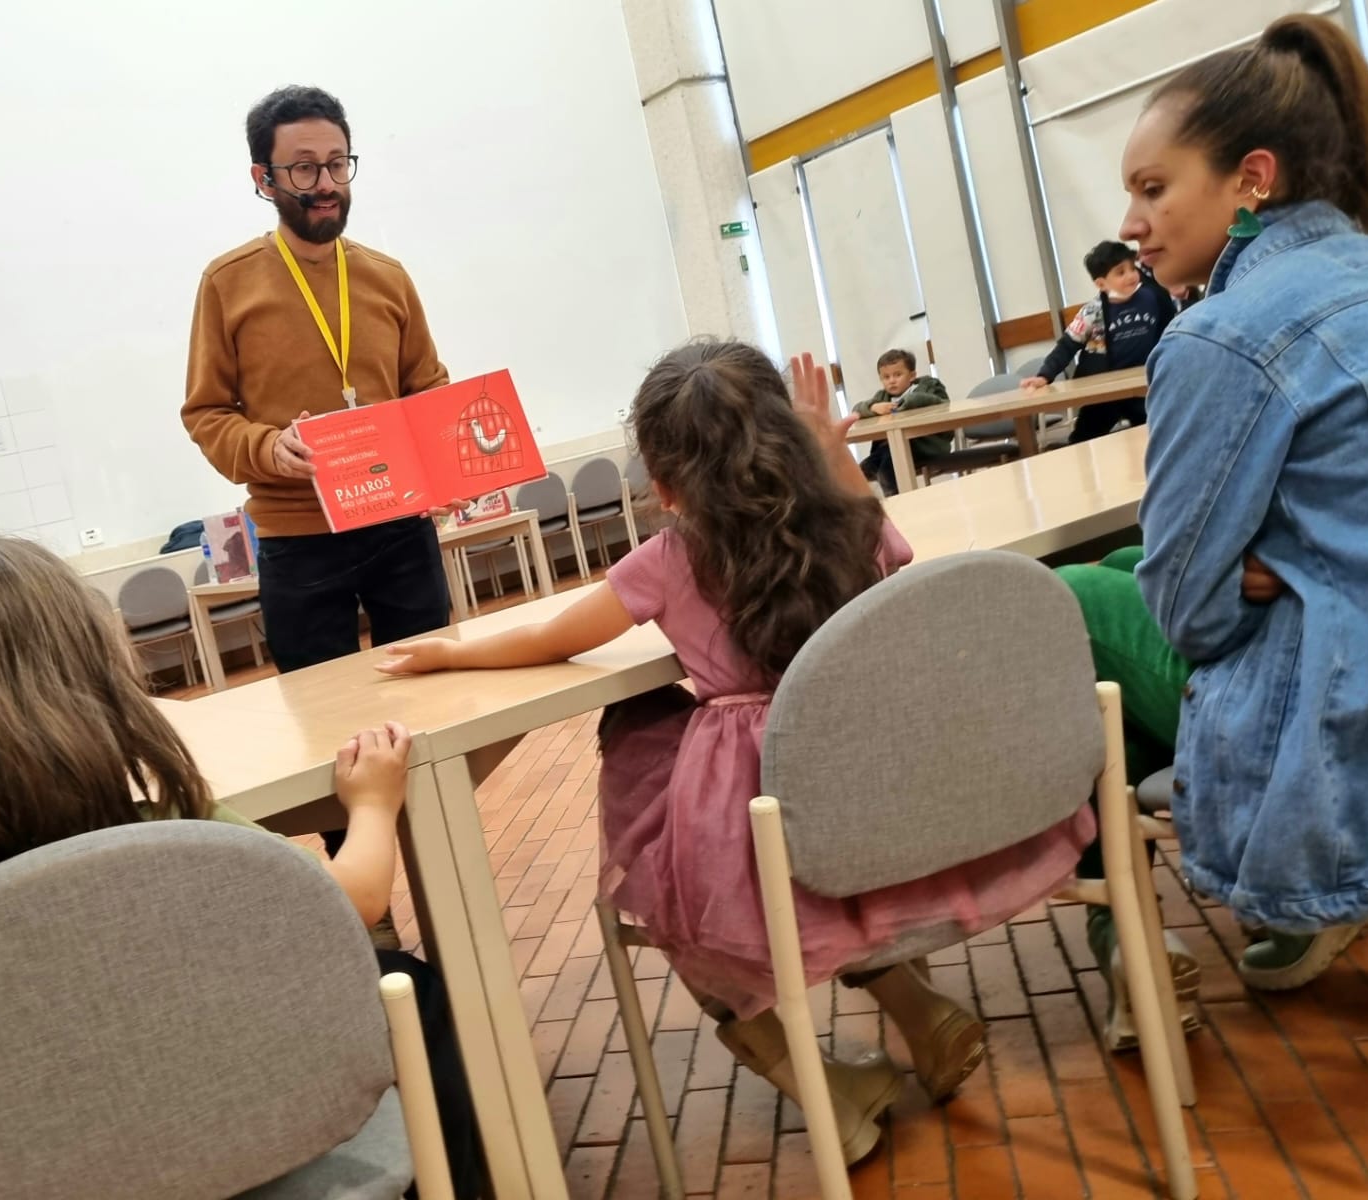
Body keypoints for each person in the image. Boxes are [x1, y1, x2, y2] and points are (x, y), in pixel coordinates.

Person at [376, 342, 1096, 1166]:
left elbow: (552, 638)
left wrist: (449, 652)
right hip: (886, 791)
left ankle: (827, 1092)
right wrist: (841, 464)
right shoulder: (851, 521)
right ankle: (921, 1021)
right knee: (805, 893)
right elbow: (899, 574)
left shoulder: (671, 559)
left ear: (664, 477)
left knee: (677, 886)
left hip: (760, 827)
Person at [0, 538, 482, 1198]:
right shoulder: (182, 838)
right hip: (260, 1147)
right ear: (95, 668)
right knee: (405, 984)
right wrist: (370, 805)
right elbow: (352, 902)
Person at [1062, 12, 1368, 996]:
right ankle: (1288, 897)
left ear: (1251, 178)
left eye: (1152, 188)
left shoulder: (1220, 338)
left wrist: (1259, 560)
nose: (1129, 221)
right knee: (1127, 569)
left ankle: (1134, 932)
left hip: (1334, 690)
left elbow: (1192, 616)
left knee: (1058, 598)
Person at [182, 85, 465, 945]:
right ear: (262, 178)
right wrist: (271, 449)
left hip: (401, 531)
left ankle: (450, 879)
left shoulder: (385, 276)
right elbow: (206, 415)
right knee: (332, 736)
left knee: (437, 708)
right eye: (302, 167)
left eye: (336, 162)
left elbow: (431, 389)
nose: (324, 182)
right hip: (300, 547)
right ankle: (366, 924)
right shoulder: (228, 284)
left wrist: (446, 451)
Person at [1021, 240, 1177, 442]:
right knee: (1083, 438)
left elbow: (1171, 329)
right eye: (1120, 272)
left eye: (1132, 269)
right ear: (1101, 283)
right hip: (1106, 391)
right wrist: (1045, 375)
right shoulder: (1092, 311)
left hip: (1142, 387)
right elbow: (1067, 345)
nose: (1130, 276)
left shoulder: (1153, 298)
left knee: (1158, 434)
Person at [850, 349, 950, 496]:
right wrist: (873, 407)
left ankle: (898, 502)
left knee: (887, 469)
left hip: (924, 446)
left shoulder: (929, 387)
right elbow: (857, 410)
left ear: (912, 376)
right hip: (890, 448)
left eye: (897, 375)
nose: (891, 380)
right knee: (862, 471)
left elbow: (942, 403)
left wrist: (907, 402)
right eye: (886, 377)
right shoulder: (882, 397)